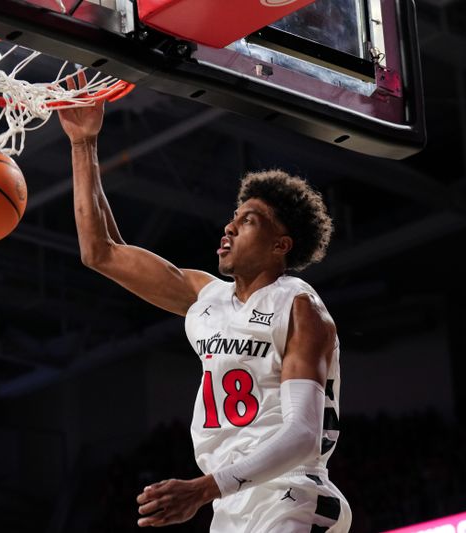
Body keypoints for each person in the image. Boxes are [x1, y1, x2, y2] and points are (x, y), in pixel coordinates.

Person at [57, 75, 351, 533]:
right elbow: (101, 252)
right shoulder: (204, 297)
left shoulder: (299, 306)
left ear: (281, 245)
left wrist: (202, 488)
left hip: (291, 494)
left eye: (249, 221)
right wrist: (84, 144)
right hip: (230, 506)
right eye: (233, 218)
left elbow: (302, 436)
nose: (230, 228)